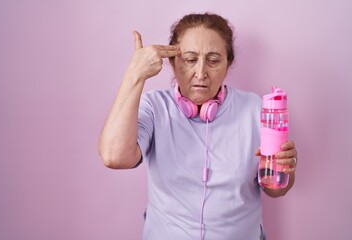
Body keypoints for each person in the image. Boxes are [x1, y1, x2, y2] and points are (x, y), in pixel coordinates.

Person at [98, 12, 298, 240]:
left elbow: (276, 190)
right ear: (172, 63)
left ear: (228, 63)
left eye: (213, 61)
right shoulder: (154, 106)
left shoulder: (255, 108)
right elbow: (114, 157)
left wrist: (285, 170)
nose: (201, 73)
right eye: (190, 59)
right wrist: (134, 76)